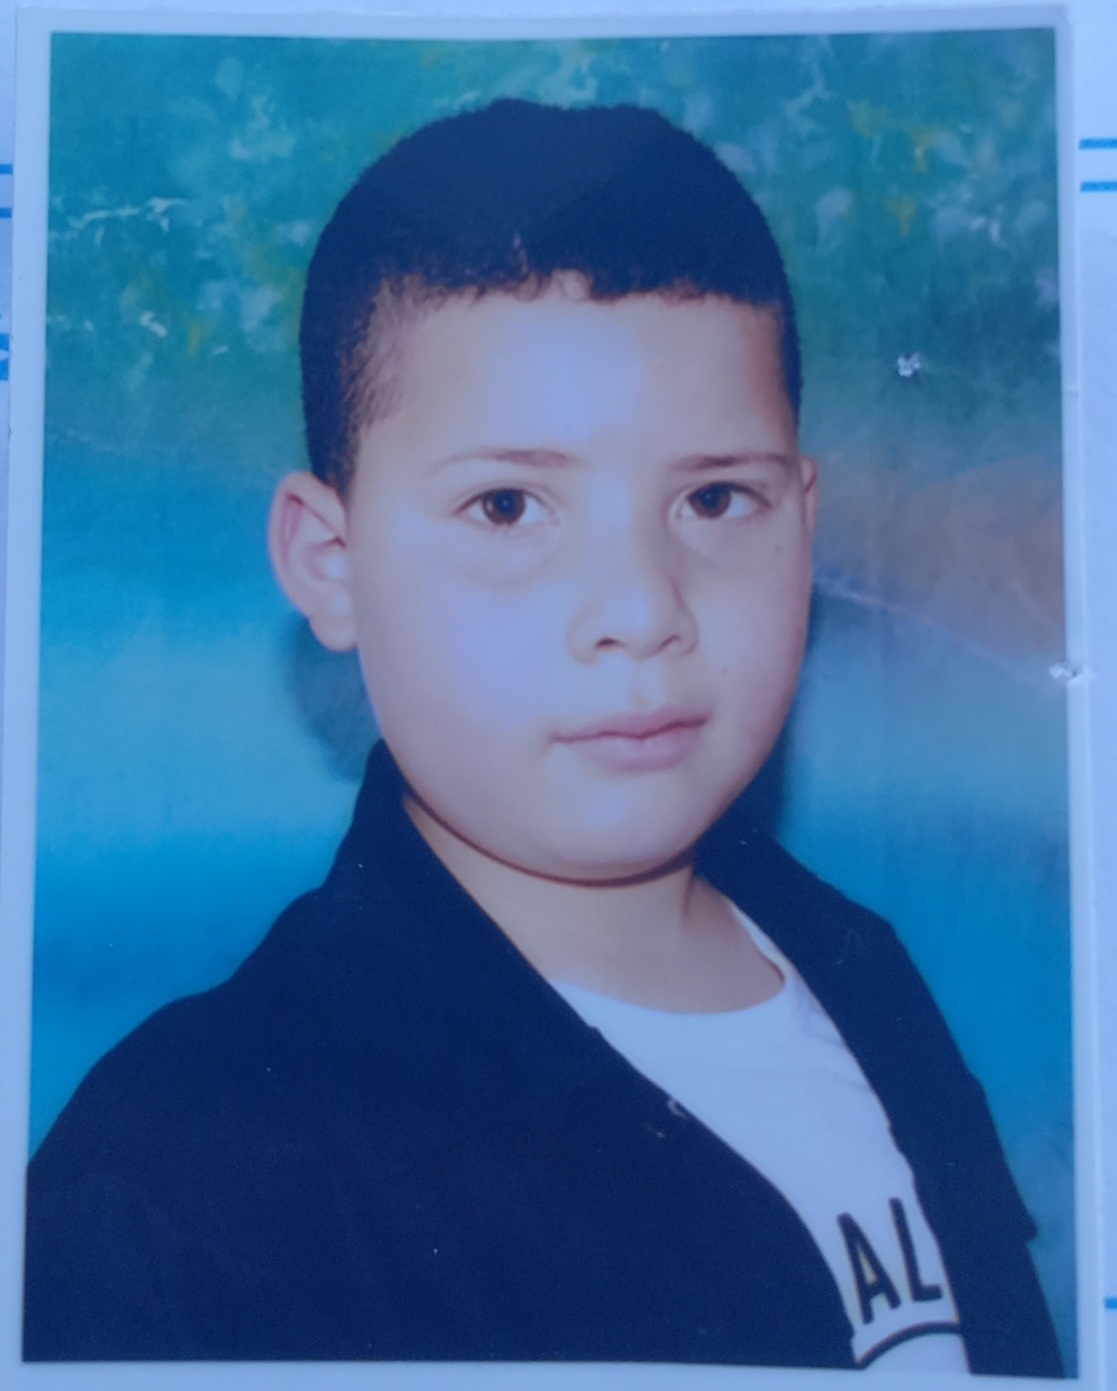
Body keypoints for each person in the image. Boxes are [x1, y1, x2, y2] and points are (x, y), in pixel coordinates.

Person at [23, 99, 1061, 1375]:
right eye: (509, 505)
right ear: (330, 561)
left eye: (715, 497)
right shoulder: (173, 1193)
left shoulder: (863, 967)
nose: (641, 608)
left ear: (803, 521)